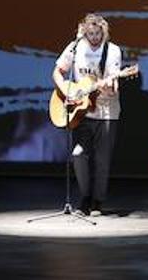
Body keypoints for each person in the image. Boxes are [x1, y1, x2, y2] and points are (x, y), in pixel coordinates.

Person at [53, 13, 123, 217]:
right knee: (78, 154)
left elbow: (113, 85)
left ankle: (98, 201)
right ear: (83, 32)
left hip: (107, 112)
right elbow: (57, 71)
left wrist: (109, 87)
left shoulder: (112, 51)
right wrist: (67, 90)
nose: (94, 38)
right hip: (81, 111)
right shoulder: (75, 48)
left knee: (102, 160)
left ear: (104, 32)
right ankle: (85, 197)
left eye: (97, 34)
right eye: (90, 34)